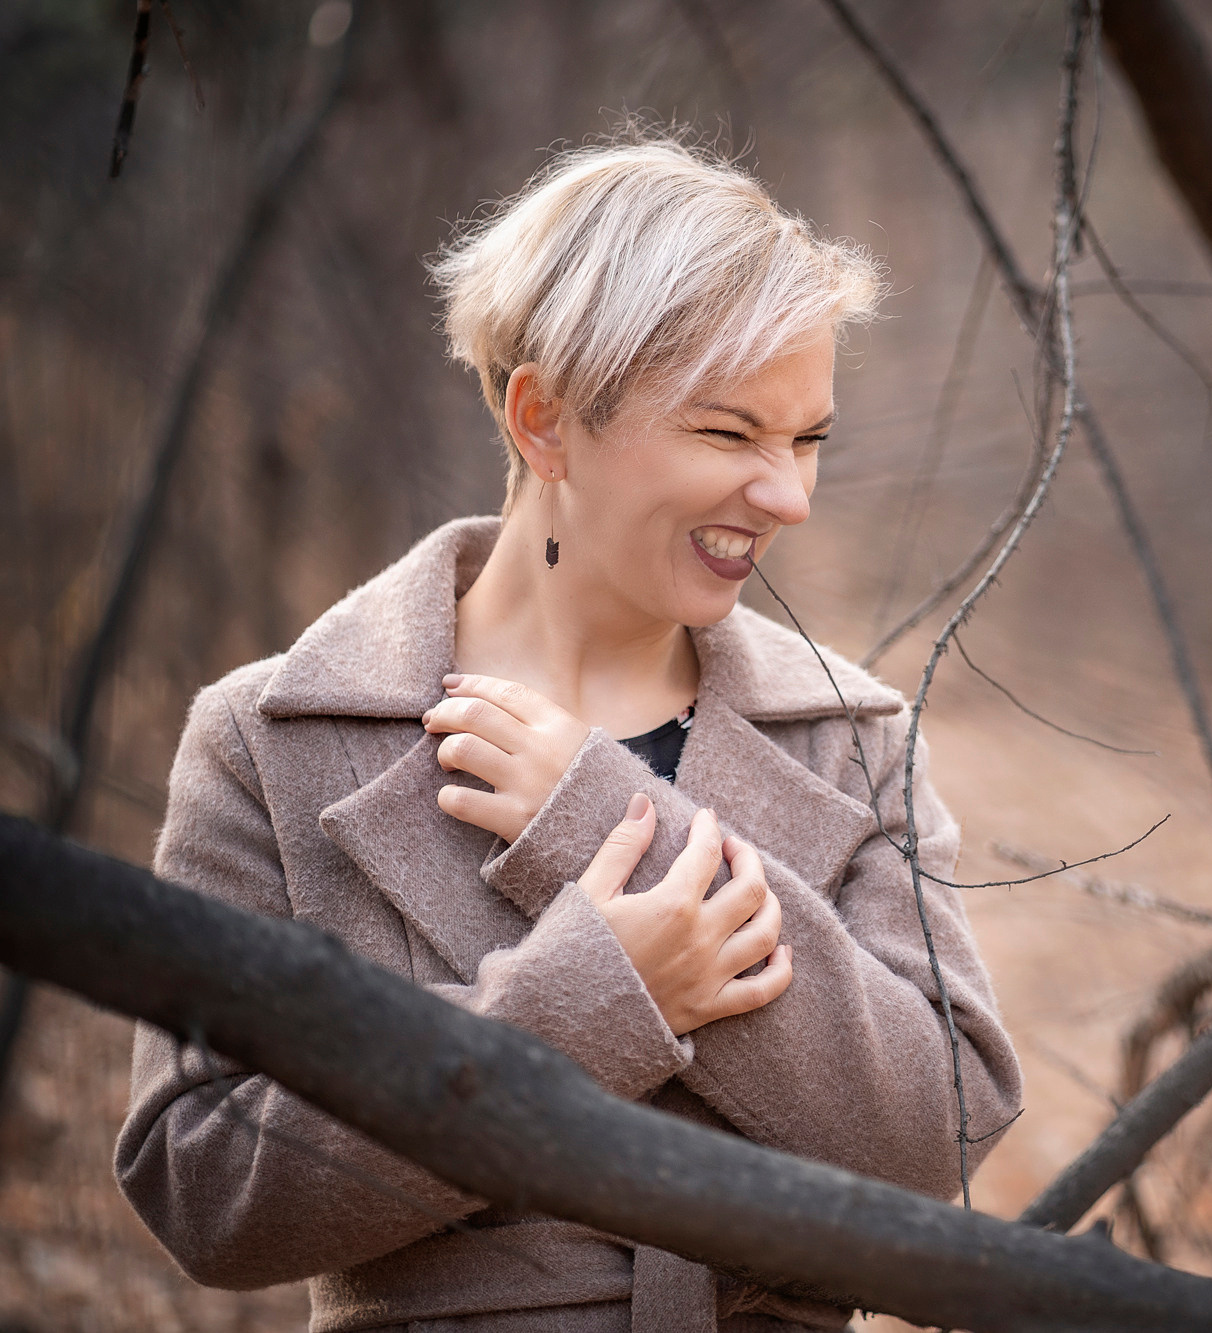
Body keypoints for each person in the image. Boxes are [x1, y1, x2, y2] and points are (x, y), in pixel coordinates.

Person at [114, 135, 1023, 1333]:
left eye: (807, 440)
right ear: (544, 419)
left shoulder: (852, 738)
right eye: (728, 432)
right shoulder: (268, 738)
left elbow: (935, 1134)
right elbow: (207, 1194)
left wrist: (605, 820)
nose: (788, 496)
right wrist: (572, 1010)